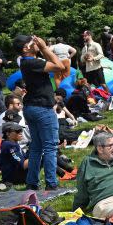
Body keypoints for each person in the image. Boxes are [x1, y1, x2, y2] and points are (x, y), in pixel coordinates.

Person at [15, 33, 70, 190]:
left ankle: (32, 182)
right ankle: (51, 183)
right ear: (26, 48)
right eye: (32, 43)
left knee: (37, 147)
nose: (36, 43)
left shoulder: (26, 62)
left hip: (31, 108)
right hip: (42, 108)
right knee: (50, 147)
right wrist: (45, 47)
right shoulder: (32, 62)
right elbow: (60, 66)